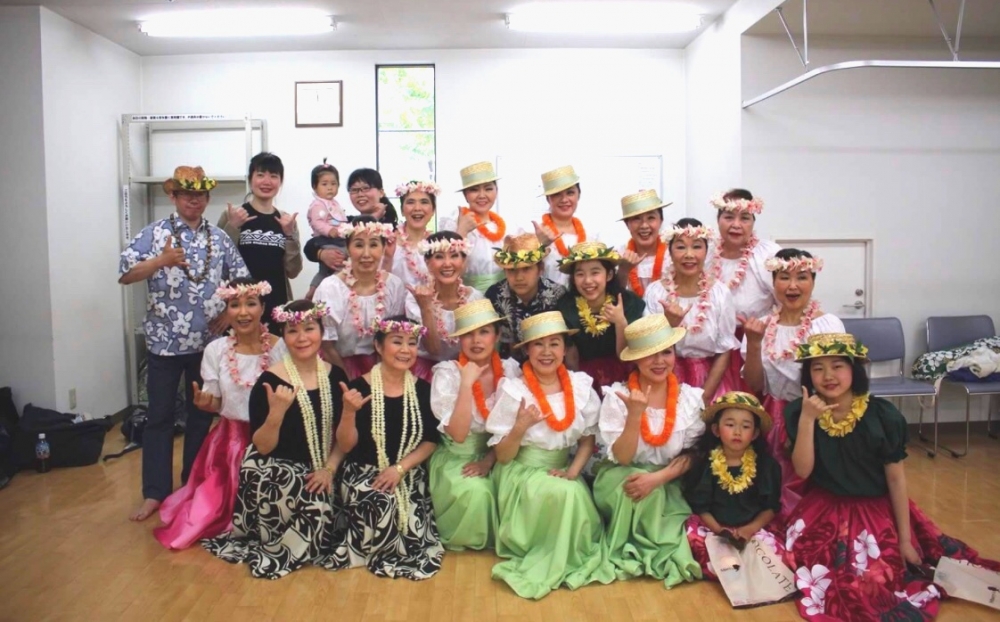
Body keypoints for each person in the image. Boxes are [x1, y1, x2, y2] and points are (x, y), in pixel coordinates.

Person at [784, 333, 1000, 620]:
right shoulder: (800, 411)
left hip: (873, 512)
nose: (828, 376)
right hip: (824, 510)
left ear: (854, 370)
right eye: (818, 368)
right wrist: (808, 419)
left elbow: (896, 480)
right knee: (809, 565)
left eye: (837, 366)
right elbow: (802, 471)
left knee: (873, 578)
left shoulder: (882, 416)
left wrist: (905, 540)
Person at [118, 165, 249, 522]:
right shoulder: (154, 233)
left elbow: (242, 281)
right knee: (159, 418)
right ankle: (155, 492)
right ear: (173, 196)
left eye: (200, 195)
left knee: (201, 417)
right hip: (163, 344)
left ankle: (193, 485)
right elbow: (125, 274)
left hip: (207, 346)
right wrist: (161, 260)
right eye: (187, 194)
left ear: (207, 199)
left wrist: (229, 314)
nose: (194, 200)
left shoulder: (219, 238)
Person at [202, 300, 348, 579]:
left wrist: (329, 469)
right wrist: (277, 413)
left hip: (326, 463)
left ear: (321, 331)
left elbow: (344, 438)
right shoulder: (269, 381)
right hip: (277, 467)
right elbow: (263, 446)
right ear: (283, 336)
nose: (302, 338)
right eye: (292, 331)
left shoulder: (336, 376)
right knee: (313, 502)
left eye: (309, 329)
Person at [486, 311, 616, 599]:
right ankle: (547, 553)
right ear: (527, 351)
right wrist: (520, 427)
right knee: (566, 495)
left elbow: (587, 441)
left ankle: (568, 554)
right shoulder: (514, 390)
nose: (547, 352)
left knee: (570, 491)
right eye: (538, 344)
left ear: (565, 349)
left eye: (554, 344)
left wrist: (572, 472)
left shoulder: (580, 386)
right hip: (521, 472)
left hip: (562, 470)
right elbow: (503, 456)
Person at [154, 279, 285, 549]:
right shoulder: (216, 350)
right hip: (230, 443)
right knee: (212, 510)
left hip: (273, 438)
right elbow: (215, 403)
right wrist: (206, 403)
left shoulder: (280, 347)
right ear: (227, 311)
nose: (243, 312)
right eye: (234, 305)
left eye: (251, 304)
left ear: (263, 308)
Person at [594, 314, 703, 588]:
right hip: (620, 476)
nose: (659, 361)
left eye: (666, 352)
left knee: (655, 494)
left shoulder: (689, 398)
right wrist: (634, 415)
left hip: (669, 479)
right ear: (635, 359)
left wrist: (658, 478)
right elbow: (622, 458)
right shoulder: (618, 396)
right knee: (635, 487)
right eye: (650, 354)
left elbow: (695, 454)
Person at [332, 316, 444, 580]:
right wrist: (348, 412)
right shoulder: (357, 388)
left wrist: (399, 469)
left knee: (403, 513)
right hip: (362, 473)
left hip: (407, 473)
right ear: (378, 346)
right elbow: (346, 445)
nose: (406, 350)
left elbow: (430, 440)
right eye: (397, 342)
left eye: (412, 343)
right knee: (379, 501)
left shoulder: (423, 390)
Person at [741, 249, 843, 516]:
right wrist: (754, 344)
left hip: (818, 414)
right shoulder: (761, 326)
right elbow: (755, 383)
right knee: (773, 484)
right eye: (784, 277)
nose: (793, 286)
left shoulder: (827, 326)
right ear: (773, 282)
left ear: (813, 282)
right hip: (773, 416)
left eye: (802, 277)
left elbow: (838, 379)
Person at [428, 300, 519, 551]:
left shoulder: (510, 370)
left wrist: (488, 461)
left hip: (499, 453)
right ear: (459, 340)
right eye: (468, 334)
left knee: (518, 488)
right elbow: (458, 434)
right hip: (457, 456)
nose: (476, 340)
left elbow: (513, 428)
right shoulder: (448, 373)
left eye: (484, 332)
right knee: (478, 492)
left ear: (497, 336)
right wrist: (466, 384)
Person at [682, 391, 784, 582]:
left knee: (773, 555)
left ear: (755, 433)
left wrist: (749, 529)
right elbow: (700, 507)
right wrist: (719, 530)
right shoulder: (705, 464)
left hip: (752, 529)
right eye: (730, 425)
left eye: (745, 426)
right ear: (716, 430)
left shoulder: (766, 465)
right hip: (713, 527)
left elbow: (771, 507)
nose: (737, 432)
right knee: (696, 547)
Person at [643, 219, 739, 403]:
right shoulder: (655, 292)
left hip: (710, 381)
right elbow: (648, 345)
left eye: (696, 247)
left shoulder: (720, 293)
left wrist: (704, 397)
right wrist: (669, 324)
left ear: (706, 251)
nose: (689, 255)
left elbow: (724, 349)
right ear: (670, 251)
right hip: (664, 377)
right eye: (680, 247)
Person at [313, 217, 406, 379]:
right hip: (336, 366)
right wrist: (349, 381)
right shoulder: (331, 288)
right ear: (348, 248)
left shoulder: (394, 285)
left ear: (384, 248)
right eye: (358, 245)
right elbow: (326, 345)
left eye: (374, 245)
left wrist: (376, 378)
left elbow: (391, 336)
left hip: (381, 367)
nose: (366, 254)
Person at [218, 152, 303, 326]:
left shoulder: (286, 220)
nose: (267, 181)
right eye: (260, 175)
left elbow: (293, 271)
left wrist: (289, 235)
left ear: (280, 182)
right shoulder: (232, 215)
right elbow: (217, 264)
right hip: (240, 307)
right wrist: (233, 226)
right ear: (250, 179)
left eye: (274, 176)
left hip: (277, 305)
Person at [556, 241, 645, 391]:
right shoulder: (566, 307)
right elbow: (571, 358)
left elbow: (626, 356)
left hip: (625, 375)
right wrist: (578, 389)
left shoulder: (628, 302)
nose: (587, 281)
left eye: (595, 272)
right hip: (583, 377)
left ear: (609, 275)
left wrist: (620, 322)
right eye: (580, 274)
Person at [405, 231, 483, 382]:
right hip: (423, 374)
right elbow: (433, 349)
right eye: (439, 256)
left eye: (454, 255)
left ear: (464, 260)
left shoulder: (475, 299)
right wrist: (426, 308)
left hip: (465, 371)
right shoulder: (415, 299)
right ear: (427, 262)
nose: (447, 263)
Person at [485, 234, 567, 361]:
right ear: (504, 271)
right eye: (512, 270)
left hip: (549, 362)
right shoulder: (494, 296)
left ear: (540, 269)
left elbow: (565, 343)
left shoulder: (558, 294)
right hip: (507, 363)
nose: (519, 277)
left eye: (527, 268)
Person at [304, 168, 399, 277]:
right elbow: (310, 246)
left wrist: (374, 217)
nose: (360, 194)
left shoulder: (393, 228)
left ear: (381, 192)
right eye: (354, 190)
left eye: (366, 188)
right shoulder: (346, 223)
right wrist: (321, 254)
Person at [707, 189, 780, 321]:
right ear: (718, 220)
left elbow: (788, 303)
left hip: (761, 331)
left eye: (745, 218)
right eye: (729, 217)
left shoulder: (769, 254)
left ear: (753, 222)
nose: (736, 225)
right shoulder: (705, 254)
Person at [441, 162, 506, 292]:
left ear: (496, 191)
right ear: (465, 195)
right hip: (468, 295)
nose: (482, 195)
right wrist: (462, 232)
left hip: (504, 295)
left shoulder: (508, 226)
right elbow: (445, 268)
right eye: (474, 190)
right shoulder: (452, 224)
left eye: (488, 189)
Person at [533, 165, 593, 287]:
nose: (564, 199)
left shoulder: (591, 236)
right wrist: (539, 246)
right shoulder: (535, 232)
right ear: (548, 199)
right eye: (557, 194)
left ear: (578, 195)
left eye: (570, 193)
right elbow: (520, 273)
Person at [615, 189, 672, 297]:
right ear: (627, 224)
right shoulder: (618, 256)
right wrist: (623, 271)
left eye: (651, 218)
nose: (644, 225)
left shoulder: (672, 255)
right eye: (636, 219)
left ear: (661, 221)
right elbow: (612, 297)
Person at [304, 159, 347, 300]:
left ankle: (313, 290)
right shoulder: (318, 205)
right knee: (340, 263)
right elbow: (317, 222)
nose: (330, 188)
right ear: (314, 187)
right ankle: (322, 291)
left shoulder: (334, 203)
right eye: (324, 184)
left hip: (337, 240)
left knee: (324, 271)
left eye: (333, 184)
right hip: (327, 240)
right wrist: (329, 230)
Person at [390, 179, 438, 288]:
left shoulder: (438, 245)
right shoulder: (389, 243)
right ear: (402, 210)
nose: (417, 208)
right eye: (410, 202)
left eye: (424, 202)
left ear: (433, 210)